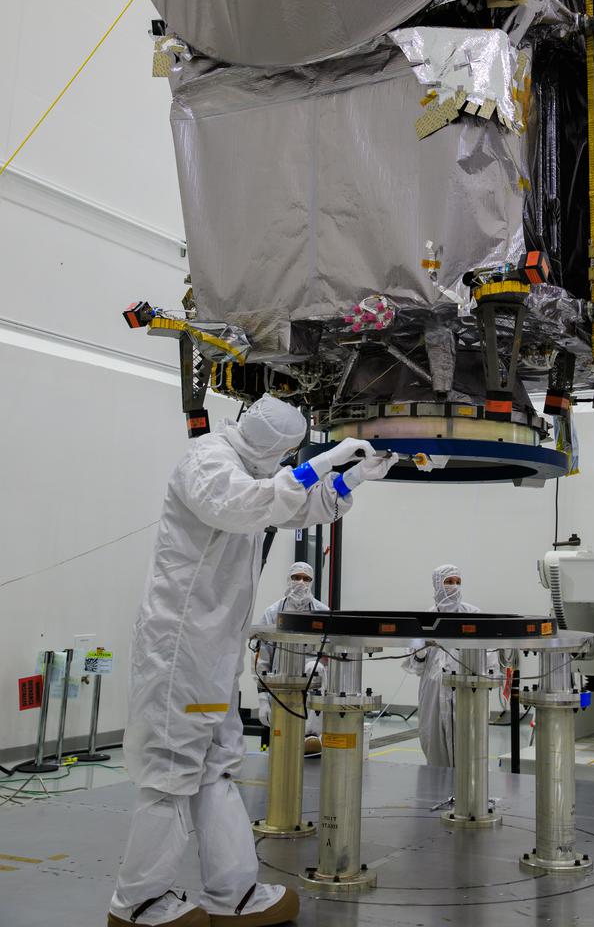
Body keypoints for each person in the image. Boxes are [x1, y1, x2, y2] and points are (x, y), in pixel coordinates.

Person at [109, 395, 397, 927]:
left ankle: (231, 893)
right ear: (274, 447)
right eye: (289, 453)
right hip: (181, 650)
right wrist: (320, 463)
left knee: (216, 768)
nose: (290, 462)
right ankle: (139, 903)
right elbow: (243, 503)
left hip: (213, 649)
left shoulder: (249, 469)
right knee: (171, 774)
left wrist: (350, 480)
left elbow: (284, 505)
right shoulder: (208, 460)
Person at [403, 564, 495, 768]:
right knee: (433, 739)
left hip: (467, 689)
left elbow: (489, 654)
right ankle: (438, 790)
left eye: (457, 582)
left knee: (468, 740)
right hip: (434, 689)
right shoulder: (426, 618)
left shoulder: (474, 614)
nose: (454, 587)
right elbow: (416, 665)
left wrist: (485, 679)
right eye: (449, 582)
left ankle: (468, 789)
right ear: (437, 584)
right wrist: (422, 648)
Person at [255, 563, 328, 754]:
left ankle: (310, 737)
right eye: (296, 577)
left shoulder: (323, 611)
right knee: (282, 742)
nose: (301, 583)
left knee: (316, 668)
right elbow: (262, 657)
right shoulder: (272, 612)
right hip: (281, 678)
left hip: (310, 680)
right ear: (288, 579)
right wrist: (262, 697)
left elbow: (330, 653)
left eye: (306, 579)